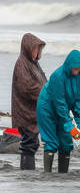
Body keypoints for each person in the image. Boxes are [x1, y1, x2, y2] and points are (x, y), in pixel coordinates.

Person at [36, 50, 80, 173]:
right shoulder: (58, 76)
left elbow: (77, 100)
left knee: (66, 142)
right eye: (75, 69)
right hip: (47, 108)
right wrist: (70, 126)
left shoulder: (77, 76)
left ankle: (63, 174)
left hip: (61, 109)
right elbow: (60, 103)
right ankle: (47, 173)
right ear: (69, 66)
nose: (77, 71)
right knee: (52, 141)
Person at [11, 33, 47, 170]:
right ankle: (27, 174)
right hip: (24, 111)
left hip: (33, 110)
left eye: (39, 49)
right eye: (36, 49)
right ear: (28, 48)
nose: (38, 52)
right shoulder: (22, 64)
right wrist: (46, 93)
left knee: (32, 143)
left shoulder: (33, 64)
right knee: (29, 143)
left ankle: (27, 171)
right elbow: (28, 88)